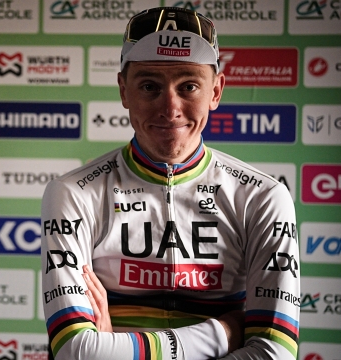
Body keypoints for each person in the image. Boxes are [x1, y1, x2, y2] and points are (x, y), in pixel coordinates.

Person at [41, 7, 299, 360]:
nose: (170, 107)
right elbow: (76, 350)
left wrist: (115, 348)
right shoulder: (73, 193)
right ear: (123, 90)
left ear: (216, 91)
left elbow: (274, 354)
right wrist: (224, 332)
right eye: (150, 86)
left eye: (189, 85)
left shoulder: (263, 198)